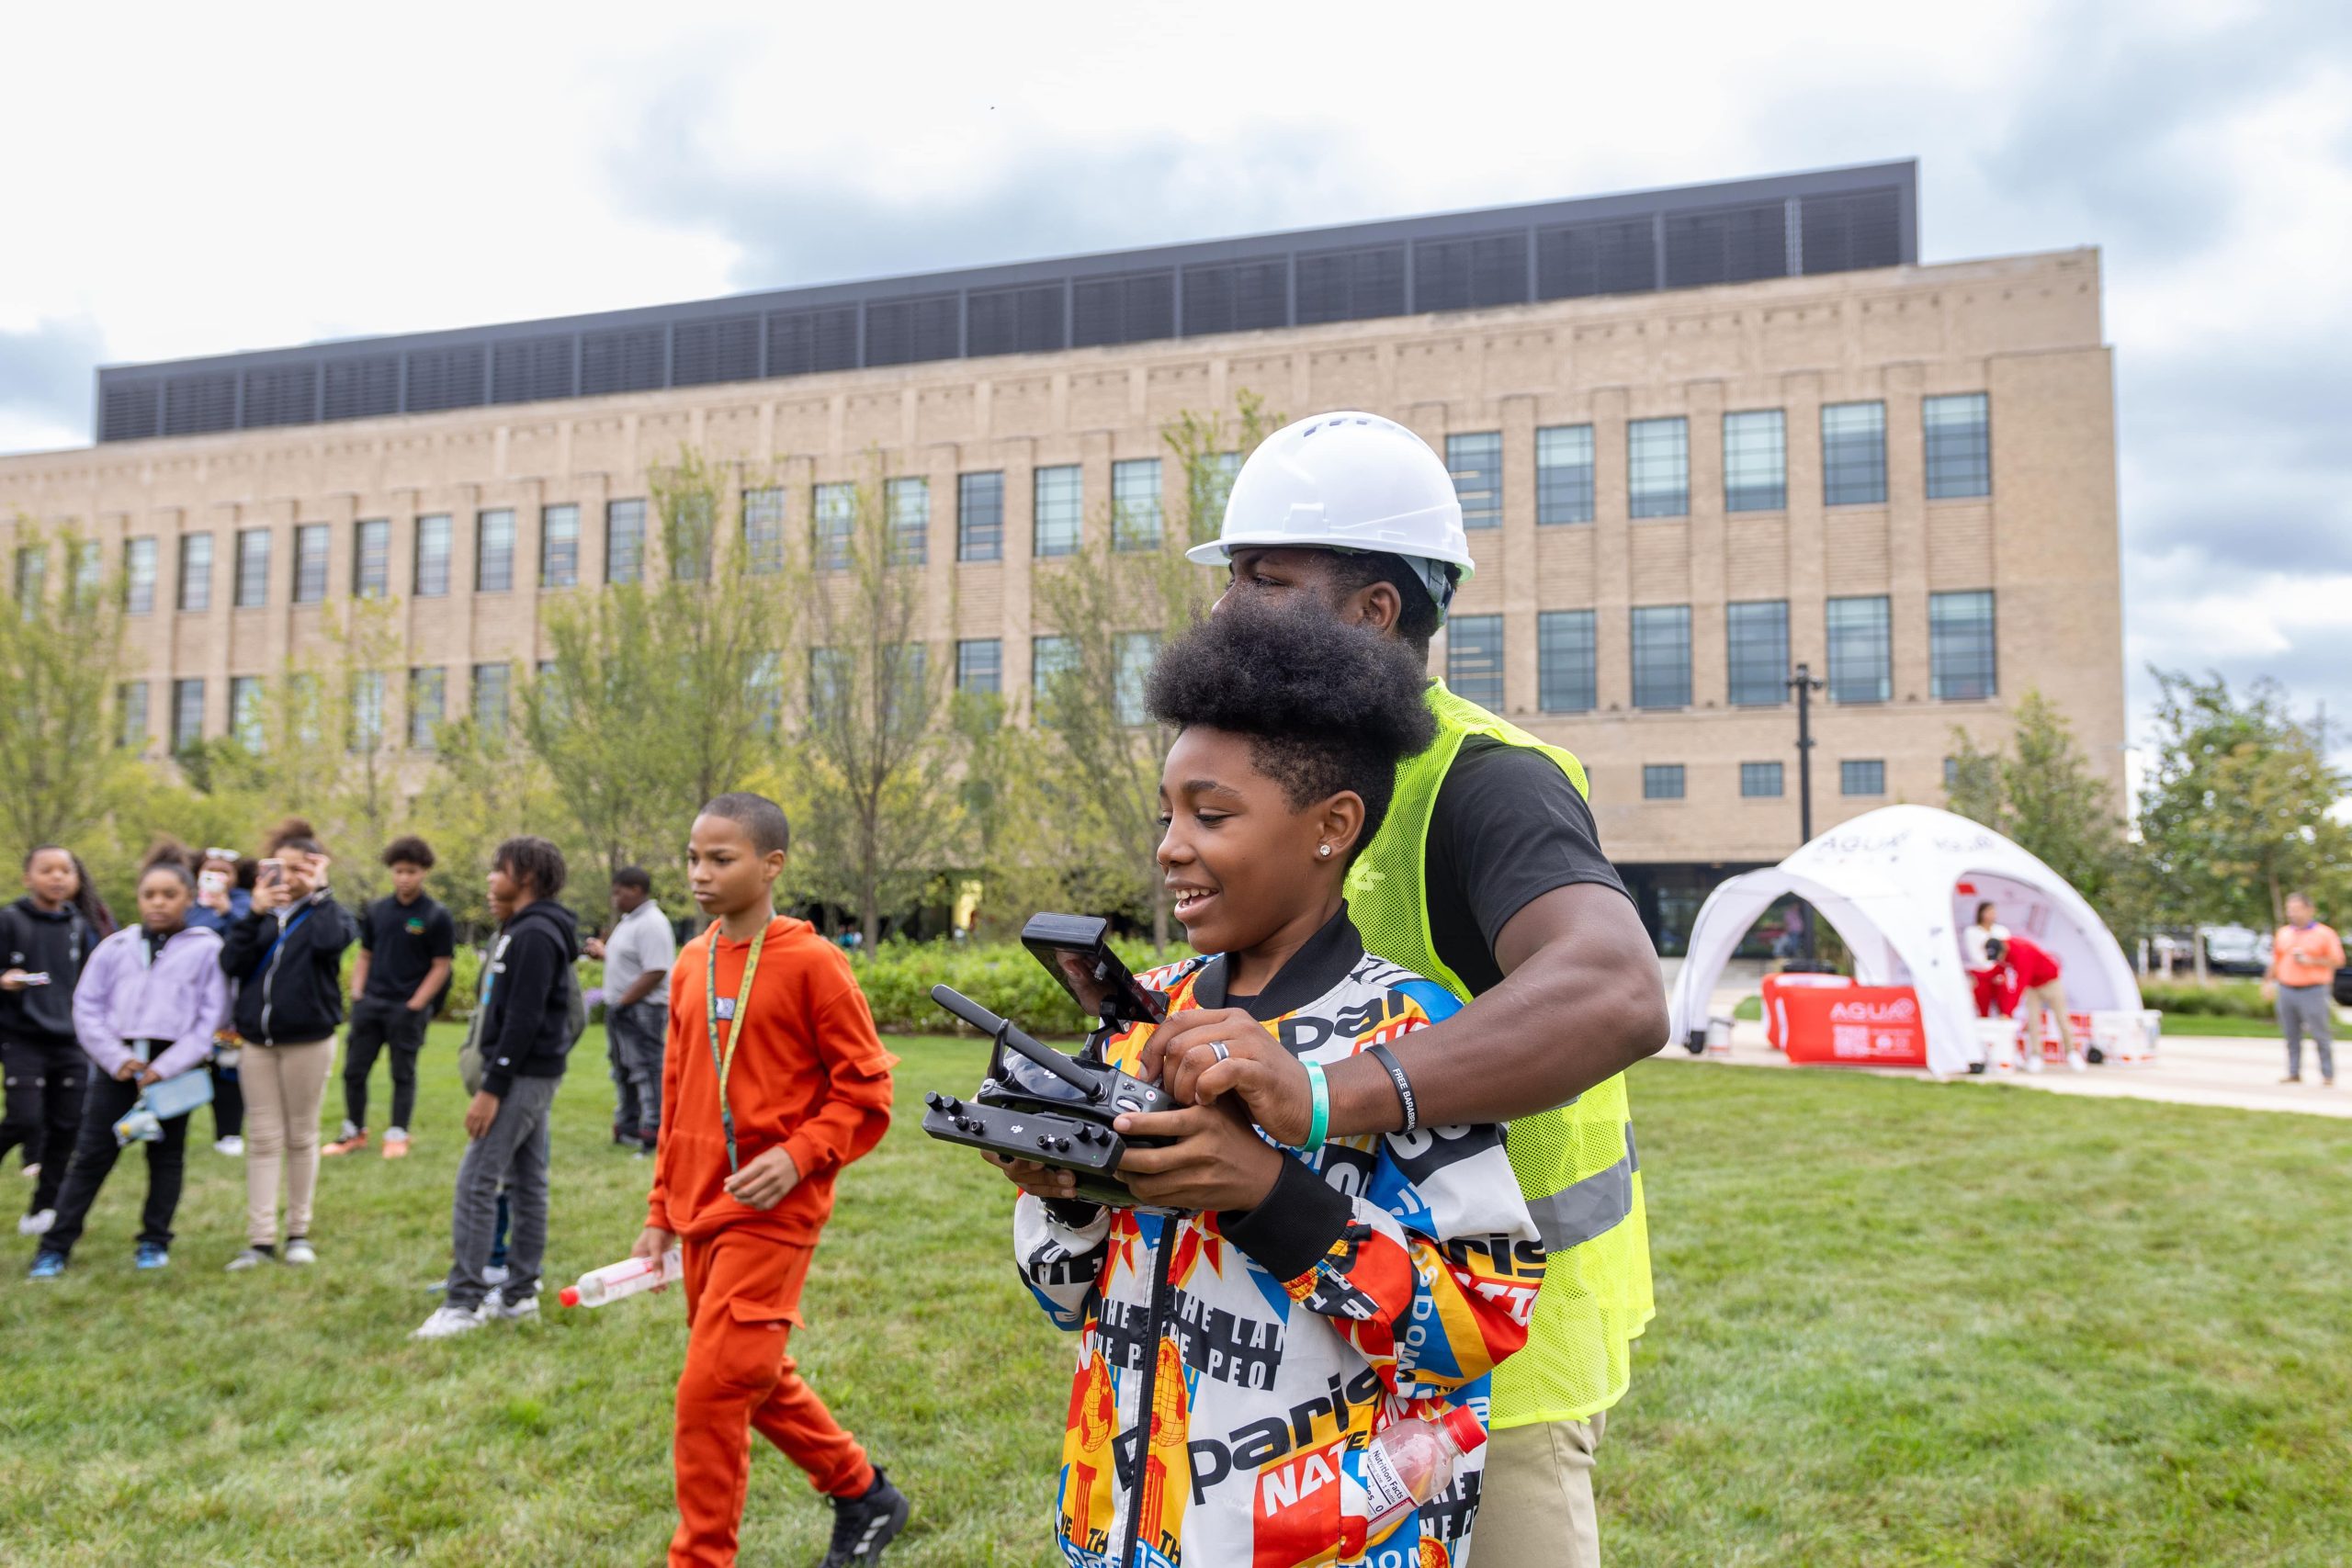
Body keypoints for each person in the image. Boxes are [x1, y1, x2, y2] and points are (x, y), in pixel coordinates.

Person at [1004, 411, 1660, 1565]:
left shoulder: (1483, 781)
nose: (1225, 609)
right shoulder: (1262, 769)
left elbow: (1614, 989)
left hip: (1490, 1357)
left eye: (1264, 577)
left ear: (1374, 612)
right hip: (1237, 1401)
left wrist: (1311, 1098)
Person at [1008, 599, 1544, 1564]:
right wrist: (1066, 1195)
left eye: (1210, 815)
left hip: (1324, 1541)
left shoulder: (1409, 1035)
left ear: (1331, 827)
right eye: (1166, 813)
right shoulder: (1144, 1020)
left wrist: (1266, 1196)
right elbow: (1064, 1299)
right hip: (1123, 1530)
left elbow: (1479, 1325)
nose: (1171, 844)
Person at [623, 793, 906, 1568]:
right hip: (698, 1209)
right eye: (693, 858)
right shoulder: (690, 962)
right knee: (752, 1374)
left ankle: (700, 1557)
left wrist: (800, 1152)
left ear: (771, 864)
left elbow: (868, 1090)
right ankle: (863, 1491)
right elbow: (678, 1092)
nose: (700, 874)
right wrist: (660, 1209)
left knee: (710, 1392)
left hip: (776, 1213)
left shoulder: (814, 961)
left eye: (721, 859)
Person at [28, 851, 230, 1278]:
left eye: (169, 895)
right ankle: (55, 1246)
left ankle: (154, 1241)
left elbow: (210, 1017)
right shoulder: (114, 946)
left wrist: (166, 1066)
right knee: (91, 1157)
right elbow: (87, 1007)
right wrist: (117, 1060)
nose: (158, 903)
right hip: (118, 1067)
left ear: (189, 898)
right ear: (138, 899)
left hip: (173, 1071)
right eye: (149, 894)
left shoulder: (207, 950)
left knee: (166, 1156)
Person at [413, 836, 578, 1337]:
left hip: (521, 1078)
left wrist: (493, 1087)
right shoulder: (520, 930)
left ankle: (463, 1302)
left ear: (524, 877)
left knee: (477, 1180)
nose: (489, 879)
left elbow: (524, 1019)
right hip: (530, 1076)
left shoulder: (535, 935)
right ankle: (519, 1293)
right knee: (528, 1181)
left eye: (496, 870)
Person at [219, 819, 356, 1269]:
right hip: (258, 1042)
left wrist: (321, 894)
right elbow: (231, 962)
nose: (292, 876)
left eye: (303, 867)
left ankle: (298, 1232)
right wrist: (255, 912)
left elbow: (330, 943)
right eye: (283, 867)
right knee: (261, 1138)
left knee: (301, 1136)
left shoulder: (326, 912)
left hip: (308, 1041)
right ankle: (260, 1239)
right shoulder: (259, 916)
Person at [326, 836, 456, 1159]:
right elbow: (365, 954)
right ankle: (353, 1131)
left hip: (407, 1010)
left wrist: (416, 1004)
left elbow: (442, 966)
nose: (404, 878)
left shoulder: (436, 915)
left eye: (411, 871)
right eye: (398, 871)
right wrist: (357, 992)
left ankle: (398, 1133)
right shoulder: (378, 910)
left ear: (424, 872)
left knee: (402, 1073)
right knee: (354, 1071)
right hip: (370, 1005)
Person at [2, 847, 103, 1237]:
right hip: (21, 1036)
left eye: (66, 870)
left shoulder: (79, 925)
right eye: (47, 870)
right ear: (28, 877)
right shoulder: (9, 920)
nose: (58, 877)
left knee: (67, 1124)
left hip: (70, 1038)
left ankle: (44, 1207)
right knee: (24, 1118)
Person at [584, 865, 675, 1155]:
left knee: (645, 1071)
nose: (614, 898)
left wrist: (624, 1002)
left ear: (636, 889)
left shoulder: (652, 923)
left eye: (618, 891)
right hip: (623, 1009)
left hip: (642, 1010)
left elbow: (657, 970)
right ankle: (629, 1126)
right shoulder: (630, 921)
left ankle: (653, 1132)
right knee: (622, 1069)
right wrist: (604, 953)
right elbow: (631, 961)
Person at [186, 847, 254, 1155]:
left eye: (226, 872)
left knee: (228, 1067)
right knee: (182, 1066)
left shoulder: (243, 904)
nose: (218, 877)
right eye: (211, 871)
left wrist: (225, 909)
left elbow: (249, 937)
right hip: (187, 1005)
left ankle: (228, 1133)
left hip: (230, 1005)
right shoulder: (186, 905)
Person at [2264, 892, 2344, 1086]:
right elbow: (2276, 960)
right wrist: (2267, 982)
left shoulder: (2324, 933)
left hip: (2313, 990)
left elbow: (2338, 961)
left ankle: (2327, 1075)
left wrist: (2312, 961)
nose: (2292, 913)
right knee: (2291, 1035)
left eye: (2296, 909)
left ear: (2310, 909)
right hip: (2287, 989)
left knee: (2320, 1033)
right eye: (2289, 909)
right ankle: (2293, 1073)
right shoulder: (2284, 933)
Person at [1990, 931, 2084, 1073]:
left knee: (2062, 1018)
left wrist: (2007, 1013)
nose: (2000, 960)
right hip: (2033, 987)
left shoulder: (2021, 952)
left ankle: (2072, 1054)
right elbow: (2000, 970)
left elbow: (2020, 985)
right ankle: (2036, 1056)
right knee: (2033, 1021)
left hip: (2051, 982)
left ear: (2004, 948)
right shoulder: (2005, 951)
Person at [1963, 901, 2015, 1018]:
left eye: (1993, 912)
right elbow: (1975, 955)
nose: (1991, 915)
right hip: (1981, 973)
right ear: (1981, 913)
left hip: (2000, 972)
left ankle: (2005, 1021)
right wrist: (1990, 968)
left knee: (2005, 1003)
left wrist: (1997, 969)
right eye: (1988, 912)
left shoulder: (2002, 930)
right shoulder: (1972, 931)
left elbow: (2006, 952)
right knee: (1982, 1005)